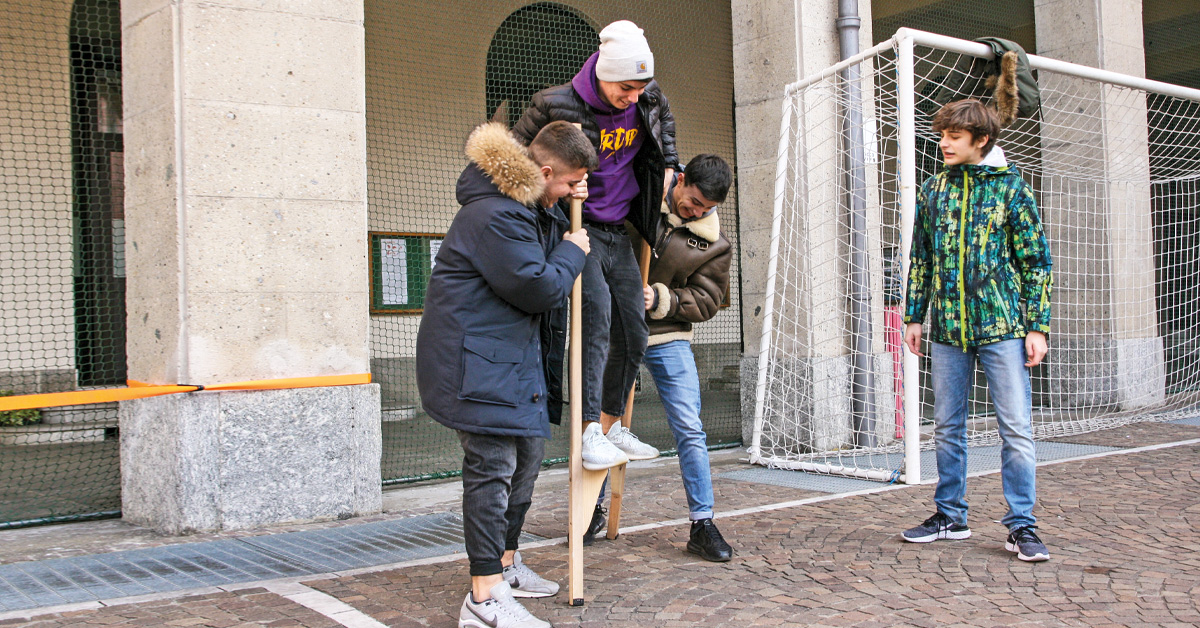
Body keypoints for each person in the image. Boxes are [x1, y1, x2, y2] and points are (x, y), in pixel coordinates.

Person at [416, 120, 595, 628]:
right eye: (565, 183)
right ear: (542, 172)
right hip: (476, 363)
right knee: (492, 471)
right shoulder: (494, 214)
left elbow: (540, 235)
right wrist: (573, 251)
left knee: (525, 463)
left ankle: (507, 565)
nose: (567, 194)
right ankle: (483, 596)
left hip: (508, 360)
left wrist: (560, 204)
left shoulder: (523, 206)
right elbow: (537, 287)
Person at [512, 20, 679, 474]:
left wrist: (667, 168)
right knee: (595, 321)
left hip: (619, 231)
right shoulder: (554, 103)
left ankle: (612, 427)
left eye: (640, 87)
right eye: (625, 88)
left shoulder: (648, 94)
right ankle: (588, 430)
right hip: (575, 228)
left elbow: (664, 128)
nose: (633, 96)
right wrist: (557, 195)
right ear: (603, 74)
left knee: (633, 327)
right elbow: (515, 162)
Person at [901, 99, 1053, 563]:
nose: (943, 142)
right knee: (947, 427)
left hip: (1003, 329)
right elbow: (921, 258)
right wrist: (914, 315)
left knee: (1016, 429)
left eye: (953, 135)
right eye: (942, 134)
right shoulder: (932, 190)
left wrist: (1037, 326)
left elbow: (1036, 261)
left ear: (981, 139)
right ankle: (950, 515)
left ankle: (1021, 526)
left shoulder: (1011, 189)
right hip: (947, 331)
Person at [584, 154, 737, 559]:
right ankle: (590, 512)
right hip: (618, 331)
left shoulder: (715, 243)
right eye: (692, 202)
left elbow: (709, 299)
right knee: (601, 425)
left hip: (668, 334)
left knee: (689, 425)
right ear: (681, 180)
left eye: (706, 208)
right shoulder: (640, 199)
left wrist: (662, 298)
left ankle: (702, 523)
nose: (696, 212)